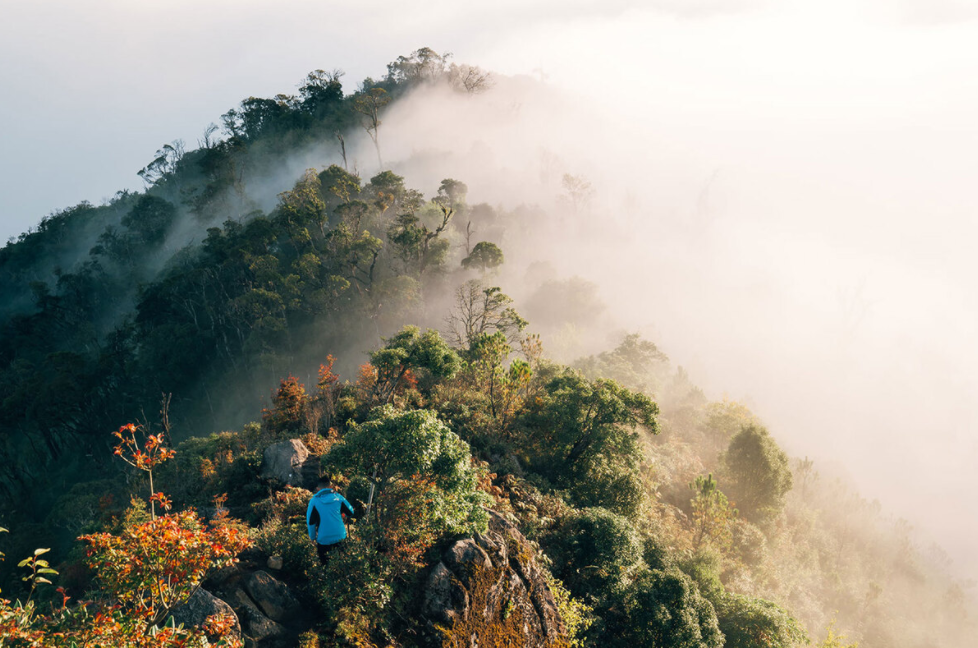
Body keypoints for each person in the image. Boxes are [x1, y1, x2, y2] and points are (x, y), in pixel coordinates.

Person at [306, 477, 356, 565]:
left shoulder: (314, 501)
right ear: (331, 486)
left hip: (324, 539)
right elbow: (351, 512)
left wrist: (312, 537)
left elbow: (311, 522)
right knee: (341, 565)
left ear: (318, 488)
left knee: (326, 567)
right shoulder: (338, 497)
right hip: (340, 537)